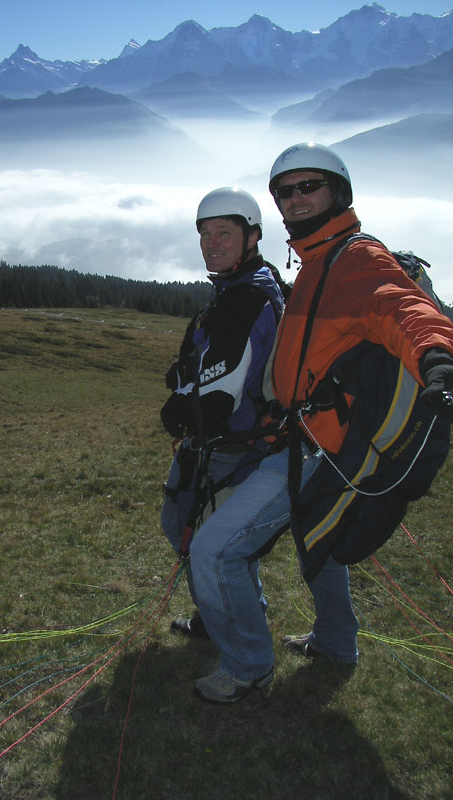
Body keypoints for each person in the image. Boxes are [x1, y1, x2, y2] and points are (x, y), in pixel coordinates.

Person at [188, 142, 453, 704]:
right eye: (285, 191)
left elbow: (404, 308)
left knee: (214, 549)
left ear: (339, 191)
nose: (296, 198)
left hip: (320, 447)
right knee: (319, 540)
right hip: (301, 436)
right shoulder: (314, 261)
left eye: (309, 186)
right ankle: (336, 642)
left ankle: (247, 668)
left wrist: (436, 357)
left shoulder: (356, 260)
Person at [160, 187, 285, 637]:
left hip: (230, 443)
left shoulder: (247, 298)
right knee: (202, 533)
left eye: (224, 233)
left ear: (252, 237)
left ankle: (225, 627)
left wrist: (178, 408)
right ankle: (229, 613)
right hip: (233, 439)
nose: (212, 243)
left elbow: (218, 396)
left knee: (195, 535)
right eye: (205, 234)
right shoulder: (245, 286)